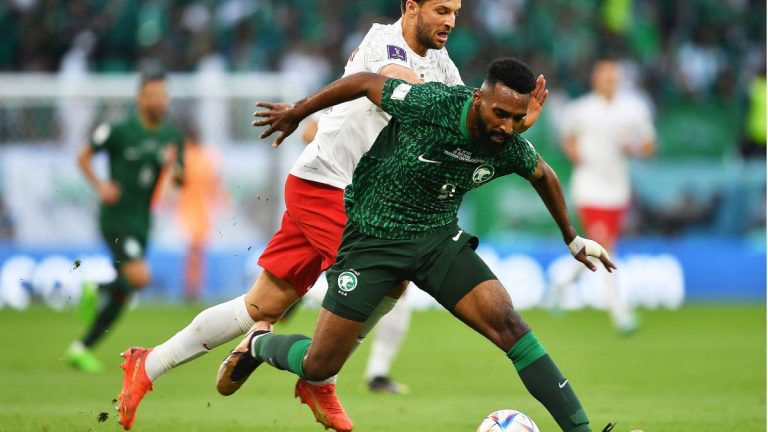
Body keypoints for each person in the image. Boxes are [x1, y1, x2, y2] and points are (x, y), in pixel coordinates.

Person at [115, 2, 547, 431]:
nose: (450, 21)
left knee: (261, 305)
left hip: (340, 188)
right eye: (440, 10)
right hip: (331, 186)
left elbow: (468, 121)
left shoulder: (443, 64)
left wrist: (508, 124)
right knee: (391, 274)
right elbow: (408, 90)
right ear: (411, 7)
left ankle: (147, 365)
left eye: (455, 11)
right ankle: (320, 380)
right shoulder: (384, 44)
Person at [219, 58, 620, 432]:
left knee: (509, 324)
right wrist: (298, 110)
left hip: (436, 240)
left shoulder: (507, 143)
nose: (507, 126)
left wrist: (572, 239)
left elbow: (544, 174)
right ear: (478, 99)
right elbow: (364, 82)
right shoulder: (433, 104)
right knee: (318, 365)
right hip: (373, 239)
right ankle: (259, 343)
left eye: (517, 118)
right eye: (500, 113)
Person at [66, 71, 184, 373]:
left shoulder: (172, 136)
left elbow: (181, 180)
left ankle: (81, 348)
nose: (159, 100)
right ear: (140, 98)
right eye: (153, 94)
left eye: (163, 95)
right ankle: (98, 287)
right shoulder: (120, 130)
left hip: (142, 220)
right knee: (140, 278)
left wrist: (173, 166)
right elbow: (83, 157)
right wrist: (101, 186)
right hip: (117, 217)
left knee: (126, 290)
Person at [554, 58, 656, 334]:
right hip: (589, 188)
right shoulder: (581, 109)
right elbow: (566, 138)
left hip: (617, 191)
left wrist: (635, 148)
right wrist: (574, 153)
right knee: (605, 247)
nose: (609, 81)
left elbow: (649, 145)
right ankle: (620, 315)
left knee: (599, 246)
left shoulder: (633, 109)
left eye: (613, 77)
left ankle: (563, 282)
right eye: (604, 77)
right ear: (595, 80)